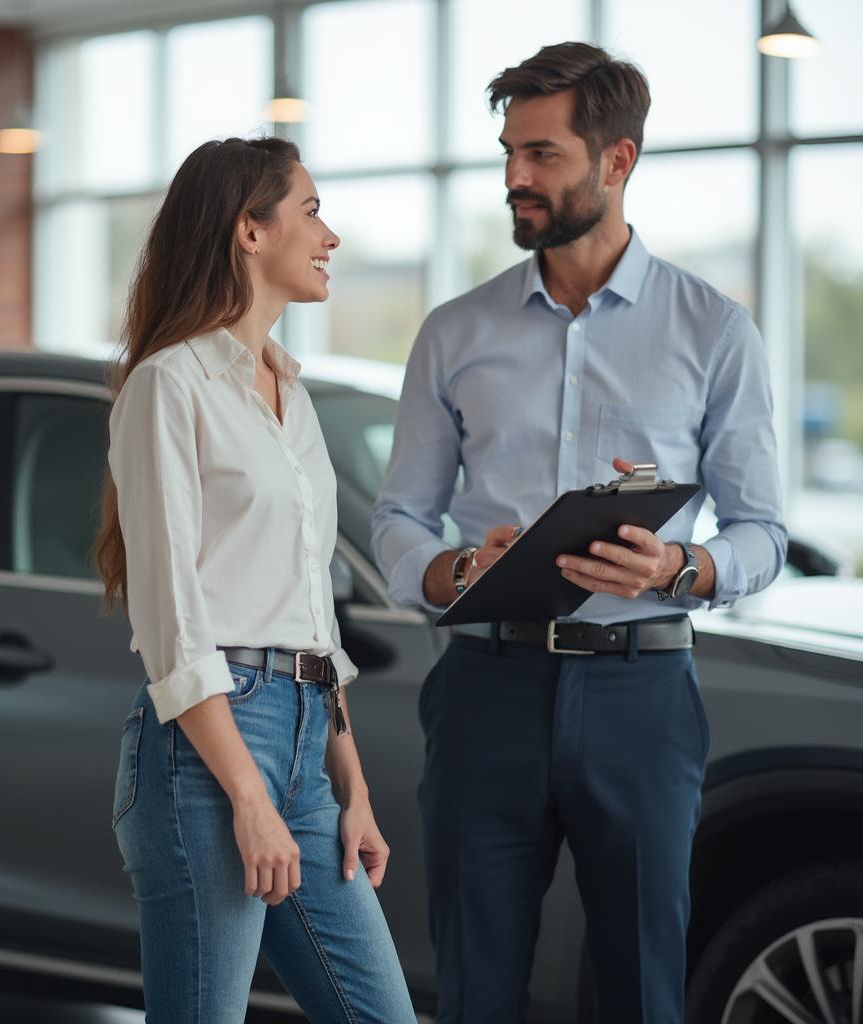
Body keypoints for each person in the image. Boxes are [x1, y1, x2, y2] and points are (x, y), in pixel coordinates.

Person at [372, 43, 786, 1024]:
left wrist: (683, 564)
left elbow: (763, 529)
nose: (515, 176)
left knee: (644, 988)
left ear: (615, 161)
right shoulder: (453, 330)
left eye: (542, 154)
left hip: (640, 696)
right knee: (473, 988)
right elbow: (397, 516)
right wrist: (449, 569)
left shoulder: (713, 330)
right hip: (484, 692)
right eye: (509, 151)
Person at [96, 137, 416, 1024]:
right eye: (310, 211)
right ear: (248, 229)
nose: (331, 237)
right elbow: (172, 625)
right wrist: (246, 794)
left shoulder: (290, 392)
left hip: (304, 751)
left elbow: (313, 619)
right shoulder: (170, 387)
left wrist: (351, 788)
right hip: (207, 756)